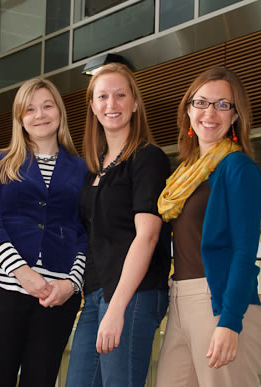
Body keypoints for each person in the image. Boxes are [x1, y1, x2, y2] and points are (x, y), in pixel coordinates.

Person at [156, 67, 261, 386]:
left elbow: (245, 252)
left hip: (219, 302)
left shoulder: (238, 168)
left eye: (222, 105)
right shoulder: (186, 173)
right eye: (202, 102)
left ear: (235, 116)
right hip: (180, 298)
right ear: (188, 109)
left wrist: (231, 322)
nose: (210, 112)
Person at [0, 78, 88, 387]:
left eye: (47, 106)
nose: (40, 115)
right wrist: (21, 271)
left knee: (41, 379)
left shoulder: (82, 169)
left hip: (57, 297)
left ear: (60, 112)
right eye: (30, 109)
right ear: (20, 118)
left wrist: (71, 282)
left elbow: (85, 231)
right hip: (3, 291)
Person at [65, 63, 172, 387]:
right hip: (97, 293)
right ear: (93, 107)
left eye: (120, 95)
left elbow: (148, 235)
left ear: (135, 103)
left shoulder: (147, 158)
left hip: (133, 294)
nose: (111, 104)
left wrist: (118, 307)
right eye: (103, 97)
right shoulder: (94, 168)